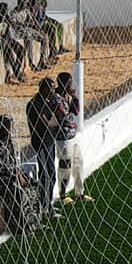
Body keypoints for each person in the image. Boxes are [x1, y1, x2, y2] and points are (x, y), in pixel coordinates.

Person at [26, 78, 61, 215]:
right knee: (45, 174)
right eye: (51, 89)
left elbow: (54, 120)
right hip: (41, 143)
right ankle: (44, 206)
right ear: (44, 89)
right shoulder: (36, 104)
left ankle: (48, 203)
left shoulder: (47, 102)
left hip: (49, 141)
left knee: (51, 172)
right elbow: (50, 122)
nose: (53, 91)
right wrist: (55, 118)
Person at [54, 71, 87, 201]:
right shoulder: (56, 98)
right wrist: (72, 101)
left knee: (78, 163)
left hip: (73, 136)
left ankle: (80, 193)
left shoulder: (68, 96)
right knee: (65, 166)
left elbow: (76, 111)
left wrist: (75, 97)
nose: (71, 85)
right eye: (69, 83)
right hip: (63, 139)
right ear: (63, 83)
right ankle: (63, 194)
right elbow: (65, 115)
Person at [0, 3, 28, 84]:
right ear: (0, 10)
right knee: (9, 50)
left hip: (7, 40)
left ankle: (17, 67)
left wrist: (11, 22)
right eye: (4, 10)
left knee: (21, 49)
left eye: (6, 10)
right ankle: (17, 73)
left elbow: (11, 30)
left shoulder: (6, 18)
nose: (6, 12)